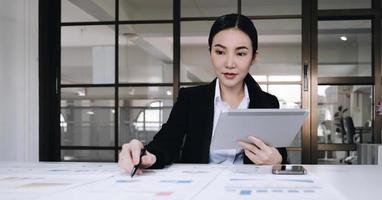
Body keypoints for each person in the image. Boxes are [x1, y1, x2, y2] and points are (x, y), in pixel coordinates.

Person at [118, 13, 288, 174]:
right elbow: (166, 143)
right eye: (220, 52)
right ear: (210, 53)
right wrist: (147, 155)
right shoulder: (190, 99)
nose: (229, 63)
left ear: (253, 57)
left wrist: (277, 161)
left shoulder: (268, 102)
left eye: (241, 53)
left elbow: (279, 155)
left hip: (246, 188)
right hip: (199, 188)